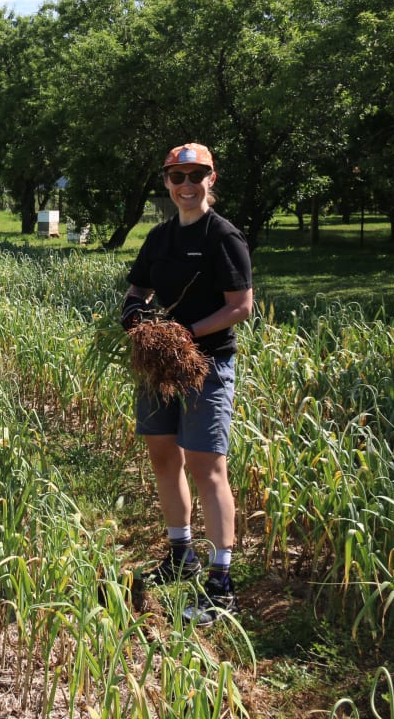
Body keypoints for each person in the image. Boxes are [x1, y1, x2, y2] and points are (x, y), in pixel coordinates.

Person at [121, 142, 253, 625]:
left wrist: (186, 334)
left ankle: (222, 580)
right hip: (160, 368)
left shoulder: (224, 237)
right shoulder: (159, 238)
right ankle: (181, 553)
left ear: (211, 180)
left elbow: (241, 306)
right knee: (162, 453)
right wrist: (134, 312)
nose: (186, 186)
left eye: (196, 176)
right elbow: (139, 288)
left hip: (207, 365)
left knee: (206, 465)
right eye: (177, 177)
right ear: (167, 183)